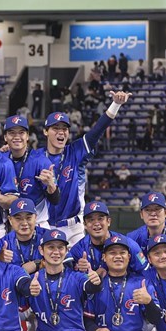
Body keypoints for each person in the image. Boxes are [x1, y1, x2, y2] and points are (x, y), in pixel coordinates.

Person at [42, 91, 131, 245]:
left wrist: (115, 104)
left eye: (64, 129)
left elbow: (97, 131)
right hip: (45, 225)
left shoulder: (75, 151)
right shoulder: (36, 157)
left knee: (81, 267)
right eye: (55, 128)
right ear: (45, 132)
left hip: (73, 228)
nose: (61, 132)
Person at [2, 114, 59, 226]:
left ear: (27, 136)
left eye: (21, 132)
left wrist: (50, 185)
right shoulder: (0, 160)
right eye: (12, 133)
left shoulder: (41, 161)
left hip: (37, 223)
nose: (17, 136)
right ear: (5, 137)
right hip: (9, 224)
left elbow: (55, 200)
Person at [65, 202, 148, 277]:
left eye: (100, 219)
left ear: (108, 221)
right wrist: (80, 272)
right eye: (91, 220)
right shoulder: (78, 249)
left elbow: (146, 272)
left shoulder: (129, 245)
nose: (96, 223)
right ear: (85, 225)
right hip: (93, 292)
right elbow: (67, 279)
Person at [0, 198, 47, 274]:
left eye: (28, 218)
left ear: (35, 218)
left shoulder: (47, 237)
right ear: (10, 220)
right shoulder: (3, 244)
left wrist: (38, 264)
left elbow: (66, 263)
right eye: (18, 218)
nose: (24, 223)